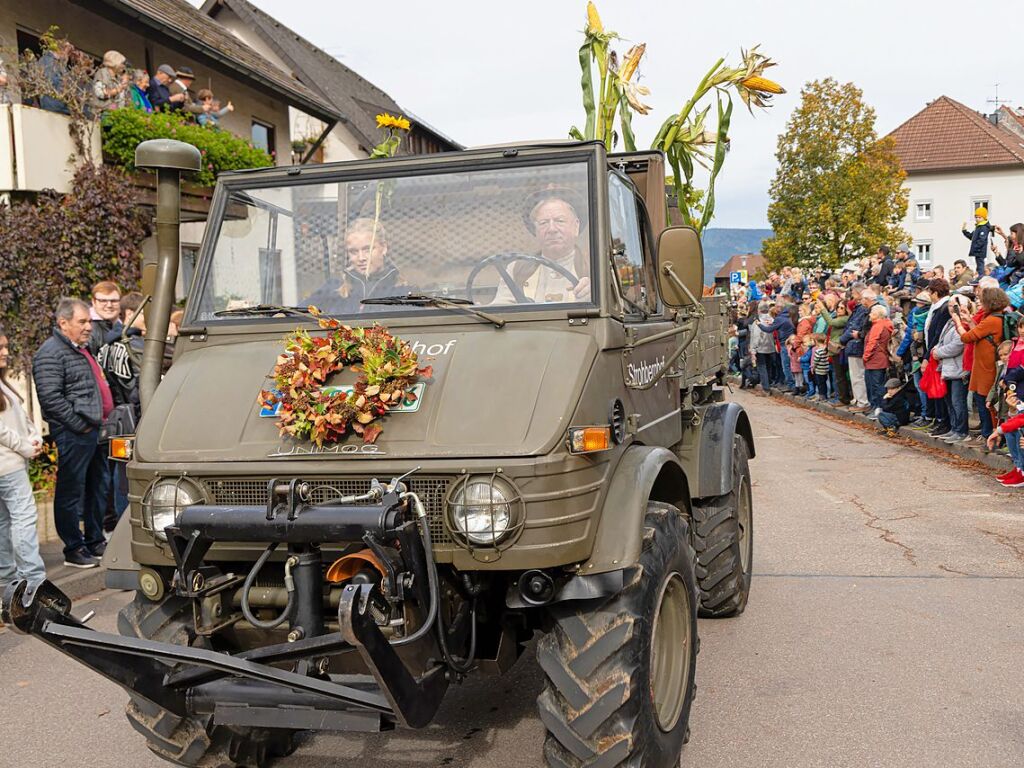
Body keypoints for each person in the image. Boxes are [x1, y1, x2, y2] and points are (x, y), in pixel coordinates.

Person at [32, 298, 113, 568]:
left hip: (93, 431)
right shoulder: (50, 353)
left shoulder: (81, 349)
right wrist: (80, 425)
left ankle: (94, 539)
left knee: (97, 488)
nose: (89, 326)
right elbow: (51, 399)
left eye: (89, 321)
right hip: (74, 433)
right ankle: (74, 548)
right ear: (63, 323)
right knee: (71, 492)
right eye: (83, 321)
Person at [0, 328, 47, 588]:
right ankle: (33, 581)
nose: (6, 353)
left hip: (12, 460)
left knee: (6, 522)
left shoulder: (3, 384)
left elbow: (20, 420)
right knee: (23, 519)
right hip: (9, 466)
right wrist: (26, 448)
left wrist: (34, 438)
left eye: (6, 347)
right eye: (0, 348)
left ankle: (9, 582)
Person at [491, 190, 591, 304]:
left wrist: (593, 297)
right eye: (544, 223)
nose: (552, 229)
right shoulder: (516, 269)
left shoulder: (595, 268)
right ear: (536, 231)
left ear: (576, 226)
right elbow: (501, 309)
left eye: (560, 221)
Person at [304, 218, 405, 313]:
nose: (361, 258)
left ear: (384, 248)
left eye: (367, 250)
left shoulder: (402, 291)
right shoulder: (333, 289)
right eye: (353, 252)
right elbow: (297, 315)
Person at [952, 286, 1009, 443]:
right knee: (983, 400)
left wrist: (957, 322)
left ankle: (987, 434)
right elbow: (979, 332)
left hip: (986, 368)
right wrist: (970, 320)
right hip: (985, 366)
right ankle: (988, 433)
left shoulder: (991, 320)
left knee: (985, 401)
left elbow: (967, 337)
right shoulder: (997, 317)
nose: (979, 302)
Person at [932, 295, 968, 442]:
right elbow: (941, 340)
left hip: (958, 368)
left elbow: (957, 345)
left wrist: (938, 352)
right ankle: (954, 428)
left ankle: (961, 430)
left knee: (957, 401)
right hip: (947, 367)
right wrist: (936, 348)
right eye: (949, 306)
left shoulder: (963, 323)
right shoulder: (949, 322)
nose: (951, 309)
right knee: (950, 401)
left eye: (954, 306)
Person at [840, 283, 872, 412]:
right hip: (853, 345)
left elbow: (854, 326)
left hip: (856, 346)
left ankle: (862, 402)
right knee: (856, 375)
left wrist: (842, 339)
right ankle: (858, 400)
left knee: (858, 375)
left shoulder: (862, 309)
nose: (852, 296)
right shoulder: (860, 308)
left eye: (853, 293)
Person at [862, 303, 894, 414]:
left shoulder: (878, 326)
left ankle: (878, 408)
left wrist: (865, 357)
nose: (870, 315)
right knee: (875, 385)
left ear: (878, 315)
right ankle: (875, 406)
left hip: (875, 360)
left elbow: (872, 343)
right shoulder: (884, 324)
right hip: (878, 359)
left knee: (876, 386)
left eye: (872, 313)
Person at [87, 280, 122, 357]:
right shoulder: (88, 329)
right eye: (103, 301)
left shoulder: (124, 327)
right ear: (93, 302)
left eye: (114, 301)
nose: (109, 305)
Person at [963, 207, 994, 277]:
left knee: (980, 264)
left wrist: (976, 247)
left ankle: (980, 277)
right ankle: (979, 276)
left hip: (980, 250)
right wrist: (964, 231)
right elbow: (972, 236)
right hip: (977, 250)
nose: (977, 219)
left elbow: (982, 239)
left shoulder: (984, 227)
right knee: (978, 264)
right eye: (976, 217)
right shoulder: (978, 227)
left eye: (979, 217)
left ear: (984, 218)